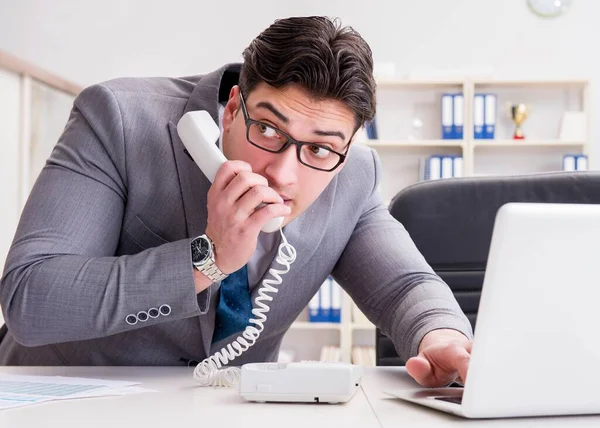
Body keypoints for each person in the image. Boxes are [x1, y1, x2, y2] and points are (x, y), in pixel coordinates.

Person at [0, 16, 472, 388]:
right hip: (60, 398)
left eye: (321, 149)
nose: (283, 174)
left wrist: (442, 337)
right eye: (267, 129)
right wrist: (207, 259)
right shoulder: (117, 119)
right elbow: (29, 297)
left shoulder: (353, 176)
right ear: (230, 109)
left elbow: (403, 287)